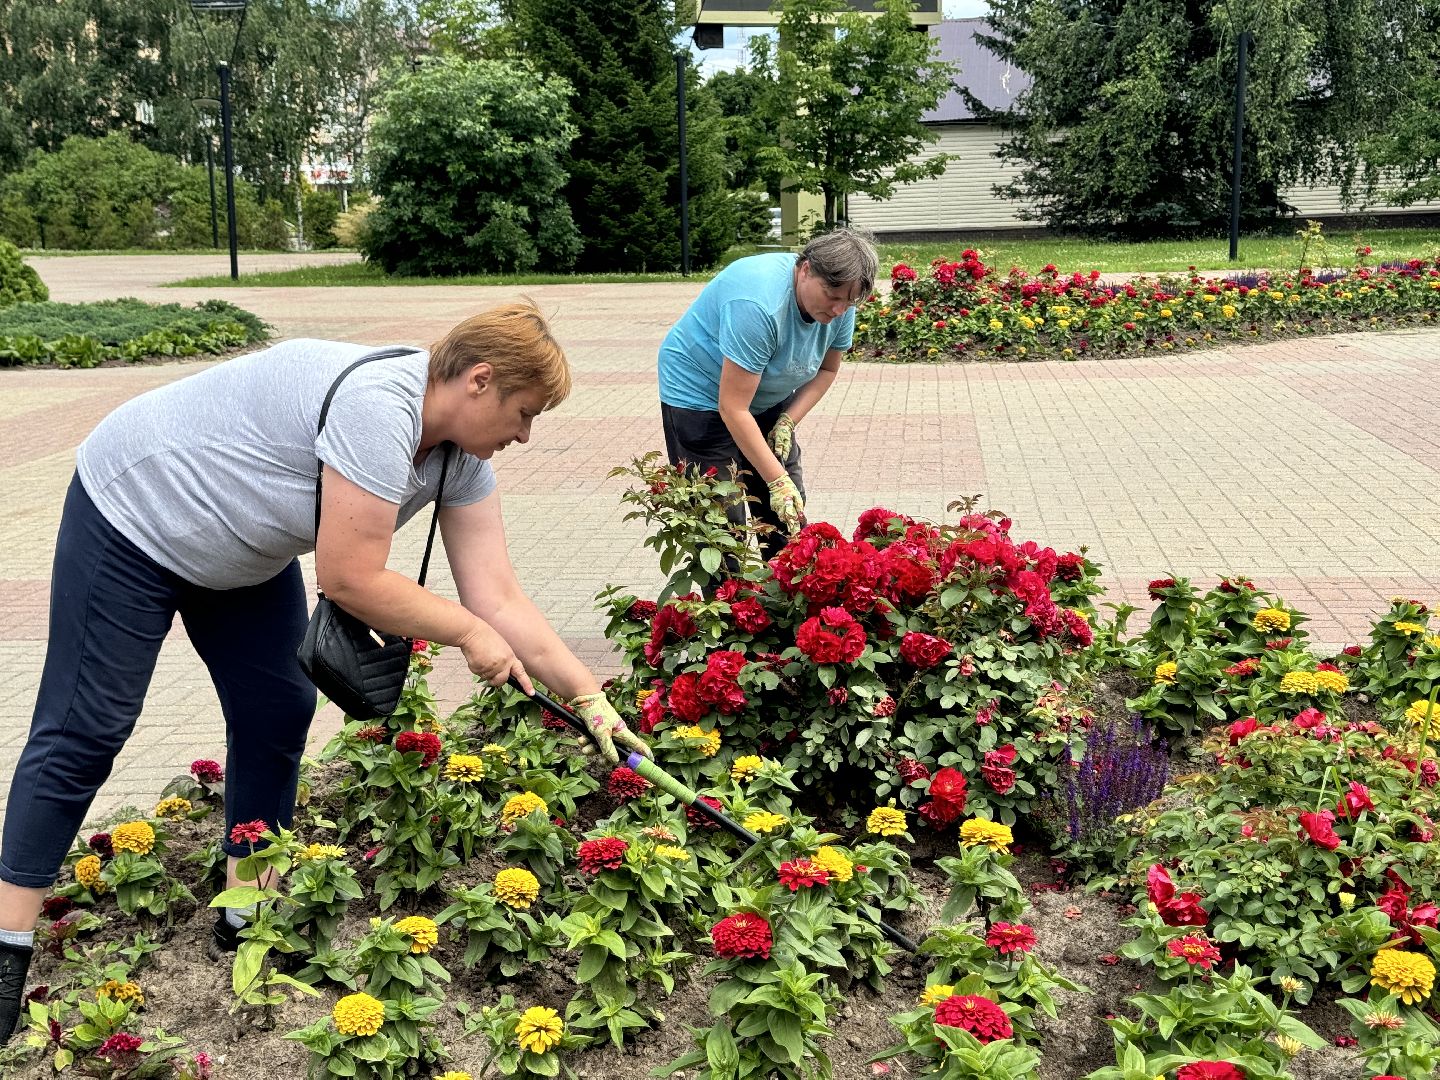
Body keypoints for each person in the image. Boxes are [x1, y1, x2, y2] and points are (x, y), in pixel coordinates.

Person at [0, 300, 650, 1041]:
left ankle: (250, 905)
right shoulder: (381, 409)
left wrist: (591, 697)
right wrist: (468, 634)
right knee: (88, 728)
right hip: (137, 513)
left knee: (278, 710)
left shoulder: (459, 457)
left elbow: (498, 595)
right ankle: (7, 944)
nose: (525, 435)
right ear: (479, 380)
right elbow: (348, 577)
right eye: (524, 412)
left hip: (238, 548)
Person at [657, 227, 878, 558]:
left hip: (762, 395)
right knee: (721, 527)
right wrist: (776, 480)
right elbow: (732, 407)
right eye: (832, 297)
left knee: (787, 521)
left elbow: (827, 370)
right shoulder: (758, 304)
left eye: (849, 301)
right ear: (805, 269)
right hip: (699, 394)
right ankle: (728, 605)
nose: (838, 311)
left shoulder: (842, 304)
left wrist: (788, 420)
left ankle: (783, 602)